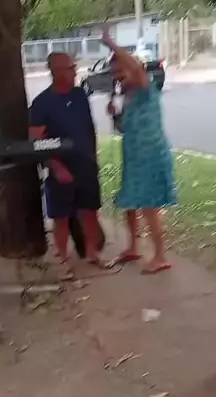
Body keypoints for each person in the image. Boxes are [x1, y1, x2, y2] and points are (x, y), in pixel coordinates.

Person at [102, 25, 176, 274]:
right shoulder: (130, 96)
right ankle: (132, 247)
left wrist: (111, 44)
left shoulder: (146, 87)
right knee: (130, 202)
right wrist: (115, 116)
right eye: (115, 73)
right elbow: (125, 128)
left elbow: (134, 67)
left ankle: (160, 256)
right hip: (134, 156)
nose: (118, 76)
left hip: (151, 155)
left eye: (120, 71)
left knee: (149, 206)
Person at [29, 52, 104, 281]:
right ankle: (61, 259)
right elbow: (35, 141)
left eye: (74, 67)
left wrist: (93, 158)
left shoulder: (80, 95)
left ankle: (91, 254)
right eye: (71, 68)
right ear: (56, 71)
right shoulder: (42, 103)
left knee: (90, 211)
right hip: (60, 170)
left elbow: (88, 129)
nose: (75, 71)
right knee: (61, 218)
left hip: (86, 166)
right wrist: (55, 166)